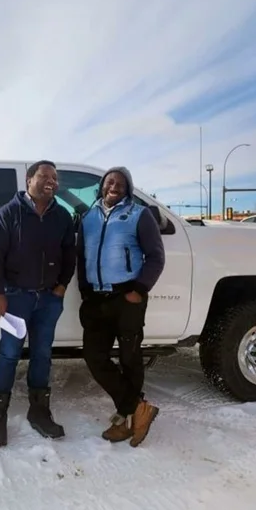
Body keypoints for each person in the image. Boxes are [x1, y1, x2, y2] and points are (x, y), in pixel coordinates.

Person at [0, 160, 76, 447]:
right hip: (15, 298)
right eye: (44, 176)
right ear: (28, 180)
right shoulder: (8, 213)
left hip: (49, 299)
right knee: (9, 354)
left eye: (55, 178)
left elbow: (69, 254)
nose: (51, 181)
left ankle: (39, 412)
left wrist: (61, 287)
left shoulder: (61, 216)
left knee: (42, 355)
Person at [77, 166, 165, 447]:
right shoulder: (88, 217)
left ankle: (126, 419)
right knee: (94, 356)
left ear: (128, 189)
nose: (114, 185)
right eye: (110, 181)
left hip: (128, 297)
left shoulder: (139, 215)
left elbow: (156, 256)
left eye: (121, 183)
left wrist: (139, 289)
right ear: (102, 186)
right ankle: (137, 407)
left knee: (130, 358)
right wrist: (85, 291)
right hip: (96, 299)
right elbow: (81, 258)